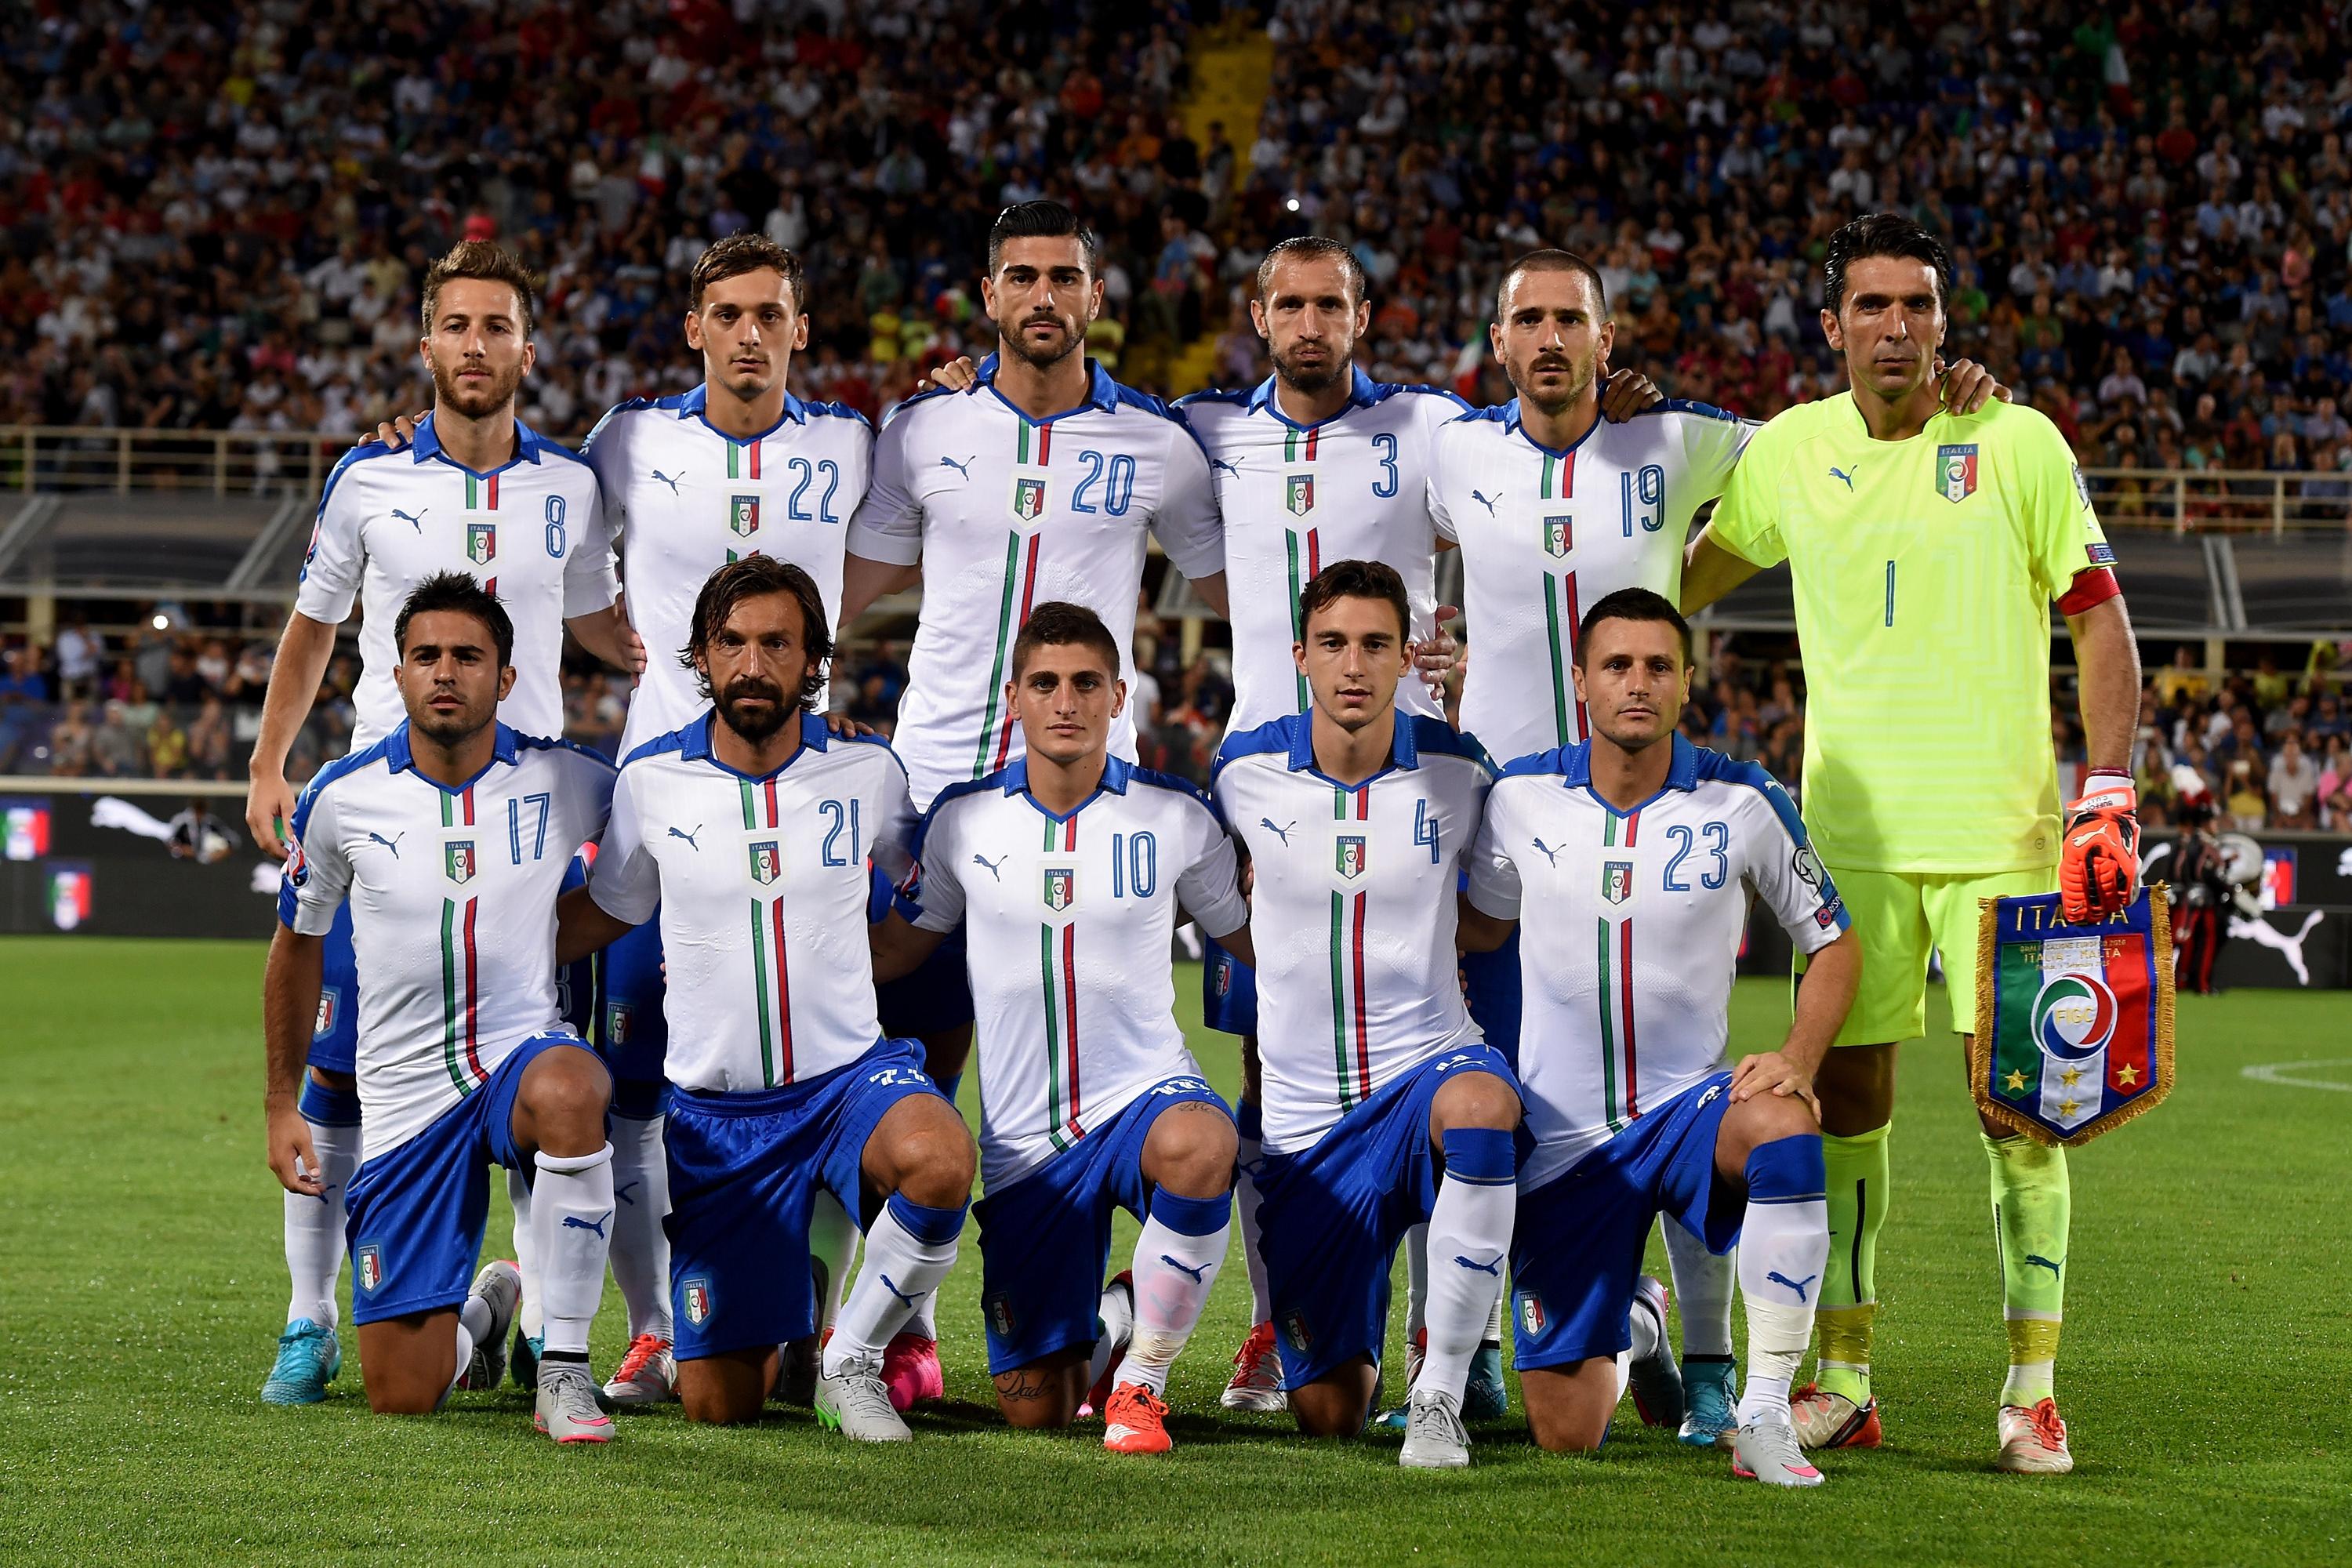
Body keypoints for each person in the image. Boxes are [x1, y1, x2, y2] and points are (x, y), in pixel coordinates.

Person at [1683, 212, 2144, 1474]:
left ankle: (2032, 1390)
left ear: (1946, 320)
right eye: (1872, 305)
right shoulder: (1790, 454)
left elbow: (2102, 620)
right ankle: (1845, 1376)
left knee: (2024, 1113)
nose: (1897, 327)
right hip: (1854, 840)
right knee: (1845, 1100)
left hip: (2007, 833)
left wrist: (2111, 789)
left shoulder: (2019, 440)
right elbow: (1679, 585)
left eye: (1920, 306)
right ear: (1829, 324)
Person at [1169, 238, 1653, 1420]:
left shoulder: (1433, 427)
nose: (1309, 321)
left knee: (1468, 1039)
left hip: (1420, 783)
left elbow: (1526, 497)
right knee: (1271, 1054)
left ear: (1363, 316)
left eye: (1330, 303)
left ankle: (1472, 1333)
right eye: (1288, 302)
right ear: (1257, 313)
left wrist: (1614, 405)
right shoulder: (1203, 433)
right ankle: (1275, 1321)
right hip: (1269, 785)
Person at [839, 200, 1228, 1384]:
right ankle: (897, 1326)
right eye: (1023, 276)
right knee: (896, 1070)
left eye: (1065, 277)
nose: (1044, 296)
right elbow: (841, 590)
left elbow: (1241, 598)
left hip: (1081, 793)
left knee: (1080, 1056)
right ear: (990, 294)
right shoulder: (919, 430)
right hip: (928, 794)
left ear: (1096, 298)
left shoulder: (1160, 444)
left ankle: (1116, 1291)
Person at [246, 241, 640, 1407]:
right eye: (456, 326)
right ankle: (310, 1314)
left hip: (525, 820)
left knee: (541, 1069)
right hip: (391, 823)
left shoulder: (570, 487)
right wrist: (272, 760)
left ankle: (540, 1309)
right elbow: (315, 628)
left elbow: (609, 629)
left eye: (497, 327)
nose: (476, 346)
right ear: (427, 346)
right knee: (340, 1073)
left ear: (530, 348)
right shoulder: (367, 484)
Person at [556, 557, 976, 1440]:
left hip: (844, 1087)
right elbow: (606, 911)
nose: (753, 663)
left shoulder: (869, 769)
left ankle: (851, 1356)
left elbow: (929, 890)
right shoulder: (649, 782)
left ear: (812, 660)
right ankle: (776, 1313)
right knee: (721, 1405)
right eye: (733, 643)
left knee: (939, 1156)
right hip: (719, 1118)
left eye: (776, 643)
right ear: (701, 658)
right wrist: (491, 961)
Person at [1457, 589, 1860, 1485]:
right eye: (1616, 665)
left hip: (1688, 1111)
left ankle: (1763, 1412)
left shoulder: (1746, 798)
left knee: (1785, 1121)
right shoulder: (1520, 794)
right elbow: (1478, 931)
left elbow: (1833, 940)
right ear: (1581, 681)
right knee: (1567, 1431)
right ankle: (1638, 1323)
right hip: (1562, 1145)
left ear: (1685, 684)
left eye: (1657, 666)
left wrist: (1796, 1058)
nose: (1636, 683)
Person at [871, 601, 1250, 1454]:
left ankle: (1143, 1383)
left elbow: (1258, 940)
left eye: (1086, 682)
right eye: (1045, 683)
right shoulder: (962, 821)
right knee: (1034, 1407)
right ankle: (1119, 1315)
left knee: (1201, 1142)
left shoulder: (1178, 816)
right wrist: (770, 966)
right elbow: (896, 950)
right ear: (1014, 698)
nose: (1066, 700)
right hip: (1025, 1149)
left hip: (1143, 1097)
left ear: (1120, 694)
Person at [262, 572, 621, 1443]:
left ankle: (565, 1367)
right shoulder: (342, 797)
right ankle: (488, 1317)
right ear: (398, 673)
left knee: (574, 1084)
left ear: (506, 675)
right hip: (406, 1100)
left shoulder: (571, 778)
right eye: (426, 655)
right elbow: (296, 946)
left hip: (517, 1058)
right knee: (403, 1391)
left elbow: (668, 826)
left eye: (468, 655)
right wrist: (279, 1103)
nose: (445, 671)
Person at [1212, 558, 1518, 1468]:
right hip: (1310, 1131)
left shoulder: (1462, 771)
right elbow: (1222, 903)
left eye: (1376, 644)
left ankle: (1441, 1386)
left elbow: (1489, 926)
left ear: (1404, 658)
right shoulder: (1243, 769)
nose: (1354, 664)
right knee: (1328, 1410)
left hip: (1427, 1073)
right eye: (1336, 643)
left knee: (1482, 1109)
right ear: (1301, 654)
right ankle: (1359, 1346)